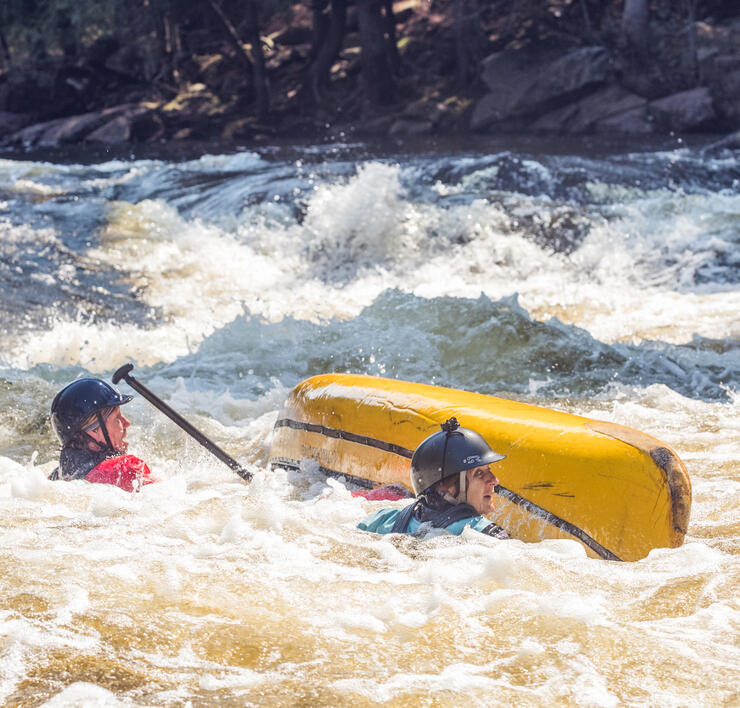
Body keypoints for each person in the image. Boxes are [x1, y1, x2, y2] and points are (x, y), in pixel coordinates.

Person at [358, 417, 509, 539]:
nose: (494, 480)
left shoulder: (386, 519)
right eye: (479, 473)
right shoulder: (484, 534)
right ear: (448, 487)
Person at [49, 377, 154, 492]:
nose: (126, 423)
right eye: (117, 418)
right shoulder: (125, 470)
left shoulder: (57, 475)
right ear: (94, 431)